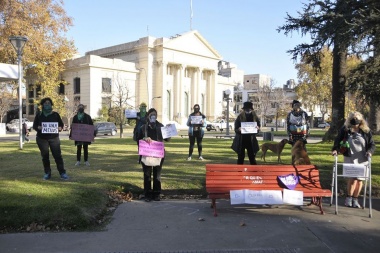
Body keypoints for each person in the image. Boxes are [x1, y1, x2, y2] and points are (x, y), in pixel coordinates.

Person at [331, 111, 375, 208]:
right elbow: (338, 140)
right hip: (349, 157)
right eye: (353, 122)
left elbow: (372, 144)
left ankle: (355, 199)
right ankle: (349, 198)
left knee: (360, 180)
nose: (355, 125)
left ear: (361, 121)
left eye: (357, 122)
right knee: (352, 179)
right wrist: (335, 150)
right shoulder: (345, 129)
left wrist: (370, 152)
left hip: (362, 158)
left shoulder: (366, 131)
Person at [137, 108, 171, 201]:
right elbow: (137, 138)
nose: (153, 116)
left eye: (154, 115)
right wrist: (144, 138)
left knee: (157, 174)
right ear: (148, 116)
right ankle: (147, 194)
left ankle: (156, 194)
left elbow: (167, 139)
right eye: (151, 115)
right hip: (146, 153)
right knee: (147, 174)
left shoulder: (160, 126)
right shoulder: (144, 127)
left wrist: (168, 130)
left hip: (158, 154)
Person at [33, 97, 69, 180]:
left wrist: (60, 128)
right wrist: (39, 127)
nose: (47, 104)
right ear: (42, 105)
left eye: (48, 103)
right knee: (45, 157)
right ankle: (47, 173)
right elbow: (34, 126)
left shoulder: (55, 114)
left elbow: (61, 125)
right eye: (45, 103)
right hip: (42, 139)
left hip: (54, 138)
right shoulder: (39, 115)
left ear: (51, 104)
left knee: (57, 156)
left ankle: (62, 173)